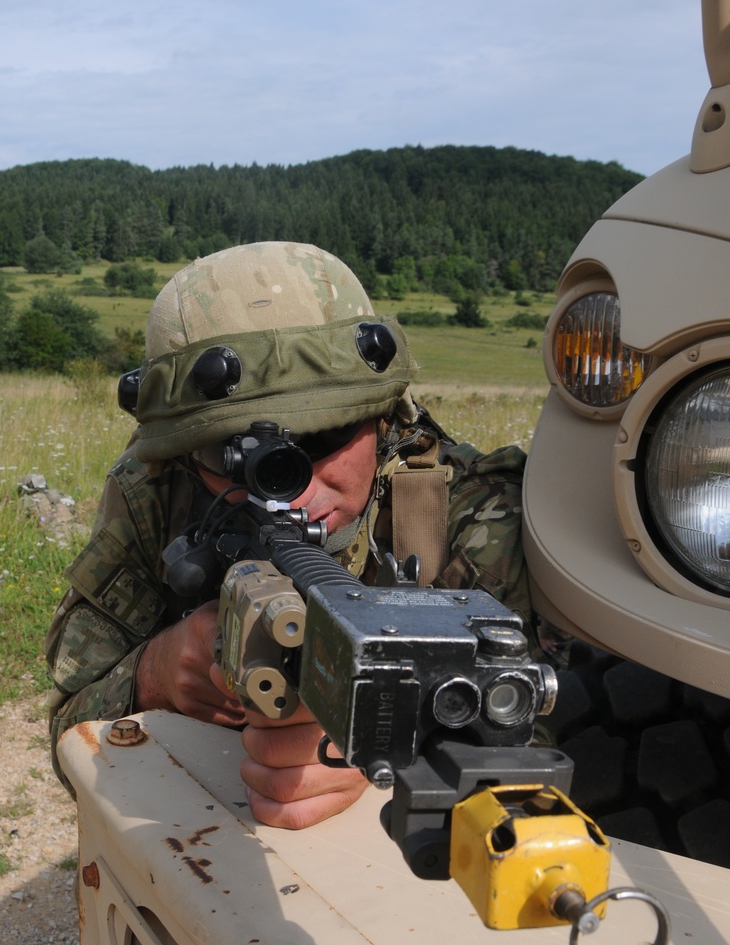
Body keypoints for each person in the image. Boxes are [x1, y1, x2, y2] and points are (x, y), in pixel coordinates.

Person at [46, 241, 532, 829]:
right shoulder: (158, 492)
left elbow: (551, 740)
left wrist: (392, 746)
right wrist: (158, 672)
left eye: (323, 439)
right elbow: (68, 733)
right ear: (183, 450)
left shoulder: (469, 516)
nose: (288, 493)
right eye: (231, 454)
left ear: (383, 418)